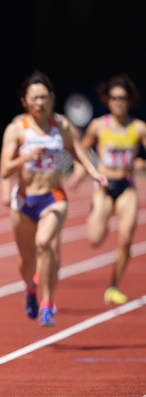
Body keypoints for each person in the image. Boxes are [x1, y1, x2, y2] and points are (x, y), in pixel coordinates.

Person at [0, 70, 106, 327]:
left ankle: (48, 304)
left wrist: (94, 173)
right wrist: (27, 157)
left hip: (54, 198)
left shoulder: (62, 126)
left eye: (44, 97)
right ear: (25, 101)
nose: (40, 102)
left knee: (45, 244)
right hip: (25, 201)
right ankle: (30, 290)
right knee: (26, 261)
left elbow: (78, 151)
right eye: (34, 98)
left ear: (52, 99)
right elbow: (4, 170)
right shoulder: (16, 129)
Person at [68, 74, 146, 305]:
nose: (118, 102)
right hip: (103, 187)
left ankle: (113, 287)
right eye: (114, 98)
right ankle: (96, 214)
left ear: (130, 100)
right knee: (95, 239)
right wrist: (79, 174)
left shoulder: (138, 128)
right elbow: (82, 151)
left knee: (126, 237)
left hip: (126, 187)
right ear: (107, 100)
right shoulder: (99, 125)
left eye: (122, 98)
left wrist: (142, 163)